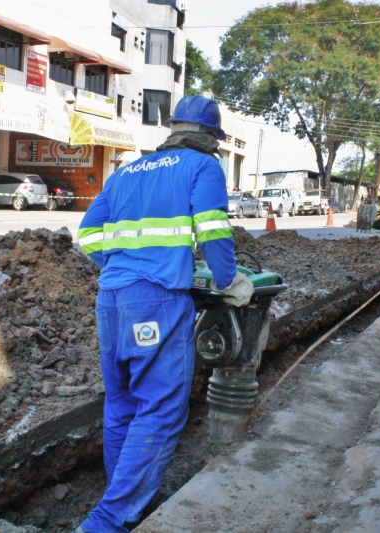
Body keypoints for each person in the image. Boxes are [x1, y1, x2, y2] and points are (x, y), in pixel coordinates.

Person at [74, 95, 254, 533]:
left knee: (123, 403)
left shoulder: (127, 170)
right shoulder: (203, 167)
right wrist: (226, 280)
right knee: (161, 408)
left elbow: (88, 235)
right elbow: (212, 228)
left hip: (112, 299)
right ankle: (109, 522)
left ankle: (117, 500)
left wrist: (126, 265)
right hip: (157, 300)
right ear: (212, 139)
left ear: (172, 129)